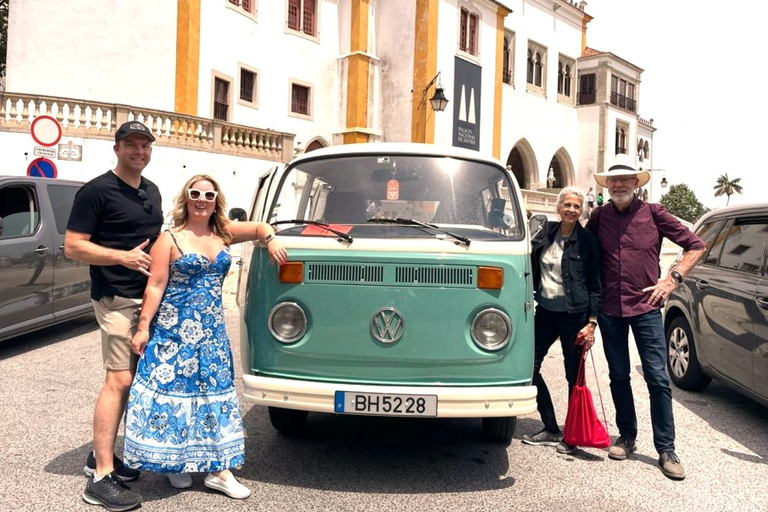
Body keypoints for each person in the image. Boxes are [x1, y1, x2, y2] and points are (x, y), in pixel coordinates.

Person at [122, 174, 287, 499]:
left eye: (208, 195)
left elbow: (258, 227)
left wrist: (271, 239)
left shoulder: (223, 232)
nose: (201, 199)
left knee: (214, 394)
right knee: (174, 393)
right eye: (195, 193)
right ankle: (177, 465)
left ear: (216, 201)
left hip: (211, 334)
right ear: (186, 198)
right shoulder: (170, 239)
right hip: (173, 332)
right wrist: (143, 327)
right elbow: (155, 285)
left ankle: (219, 471)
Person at [586, 155, 705, 480]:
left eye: (625, 180)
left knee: (657, 378)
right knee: (619, 376)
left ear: (637, 183)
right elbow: (583, 253)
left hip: (648, 308)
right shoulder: (598, 216)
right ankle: (627, 436)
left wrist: (672, 280)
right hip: (610, 310)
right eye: (613, 180)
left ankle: (666, 448)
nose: (619, 185)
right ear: (607, 185)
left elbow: (696, 245)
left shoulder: (654, 214)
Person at [65, 121, 162, 511]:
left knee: (135, 379)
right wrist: (121, 256)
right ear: (117, 147)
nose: (140, 151)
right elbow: (73, 246)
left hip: (148, 300)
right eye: (132, 144)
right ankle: (101, 477)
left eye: (145, 145)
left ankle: (98, 455)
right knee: (119, 379)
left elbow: (158, 241)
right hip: (116, 296)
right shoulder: (96, 191)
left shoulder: (150, 191)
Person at [522, 186, 602, 454]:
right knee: (528, 367)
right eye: (567, 205)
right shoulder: (546, 233)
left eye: (576, 206)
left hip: (575, 315)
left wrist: (591, 323)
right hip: (544, 312)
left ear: (582, 210)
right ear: (558, 207)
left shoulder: (588, 240)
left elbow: (595, 284)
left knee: (574, 377)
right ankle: (551, 428)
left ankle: (572, 434)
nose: (571, 210)